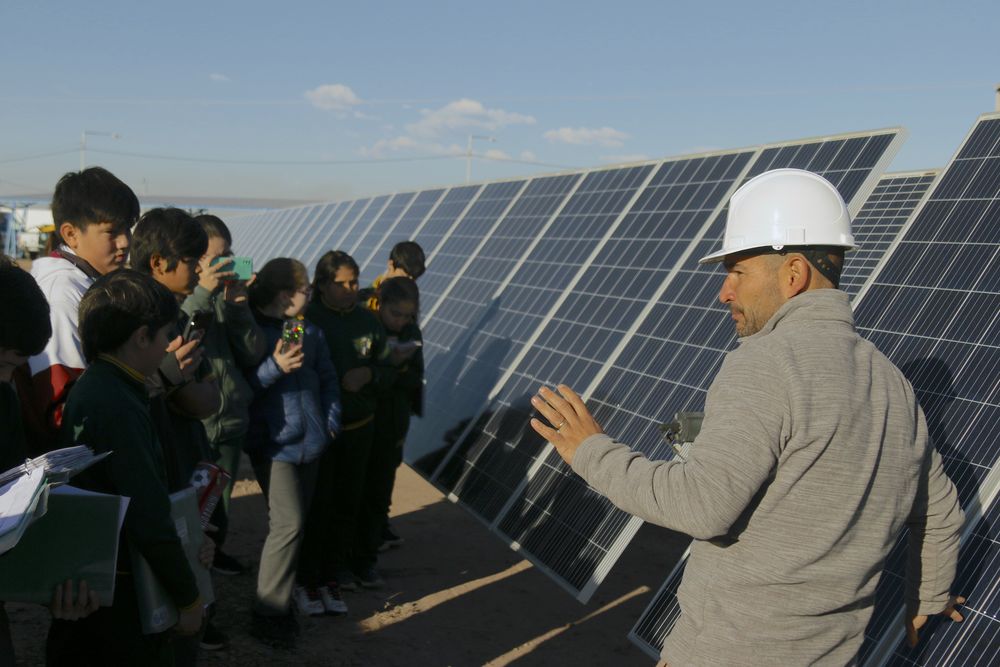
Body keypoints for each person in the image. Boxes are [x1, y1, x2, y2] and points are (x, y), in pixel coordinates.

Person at [528, 169, 966, 666]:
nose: (724, 292)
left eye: (738, 272)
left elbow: (700, 507)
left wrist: (590, 451)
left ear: (793, 273)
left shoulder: (767, 362)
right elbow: (938, 511)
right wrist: (927, 599)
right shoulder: (890, 382)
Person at [47, 269, 207, 666]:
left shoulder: (107, 384)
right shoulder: (116, 404)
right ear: (141, 337)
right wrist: (188, 597)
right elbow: (147, 514)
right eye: (166, 334)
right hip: (118, 595)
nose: (170, 345)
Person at [0, 256, 100, 664]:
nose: (6, 379)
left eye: (15, 368)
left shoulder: (4, 400)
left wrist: (54, 578)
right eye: (4, 363)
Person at [244, 258, 340, 648]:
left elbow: (327, 378)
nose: (310, 295)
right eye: (306, 290)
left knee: (297, 525)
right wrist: (274, 367)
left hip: (311, 443)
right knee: (288, 525)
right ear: (286, 295)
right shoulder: (252, 336)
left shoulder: (307, 331)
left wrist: (330, 422)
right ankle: (269, 611)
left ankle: (282, 601)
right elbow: (241, 388)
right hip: (275, 446)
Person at [24, 167, 138, 449]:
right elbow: (63, 407)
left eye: (127, 229)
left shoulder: (85, 281)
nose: (125, 242)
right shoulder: (62, 293)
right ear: (71, 234)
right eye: (111, 231)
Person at [300, 251, 392, 600]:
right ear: (323, 284)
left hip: (359, 428)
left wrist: (368, 373)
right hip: (319, 432)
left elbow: (388, 369)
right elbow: (287, 361)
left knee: (349, 500)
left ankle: (338, 567)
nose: (352, 289)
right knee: (317, 503)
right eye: (343, 284)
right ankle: (311, 571)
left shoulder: (368, 322)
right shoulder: (304, 318)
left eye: (355, 282)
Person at [186, 214, 265, 578]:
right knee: (192, 504)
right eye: (215, 257)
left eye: (228, 255)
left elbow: (251, 352)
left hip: (230, 417)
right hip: (197, 420)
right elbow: (180, 333)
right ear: (195, 260)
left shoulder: (228, 298)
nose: (225, 264)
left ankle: (215, 555)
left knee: (221, 504)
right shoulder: (183, 297)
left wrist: (238, 307)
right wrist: (203, 293)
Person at [359, 277, 422, 565]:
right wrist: (387, 368)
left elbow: (414, 379)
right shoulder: (364, 326)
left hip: (393, 423)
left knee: (381, 488)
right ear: (380, 304)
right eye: (396, 314)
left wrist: (400, 369)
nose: (401, 321)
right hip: (363, 421)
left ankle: (369, 552)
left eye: (408, 316)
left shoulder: (411, 333)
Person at [359, 240, 425, 312]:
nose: (409, 283)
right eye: (404, 277)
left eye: (414, 278)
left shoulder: (409, 310)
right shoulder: (360, 301)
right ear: (390, 265)